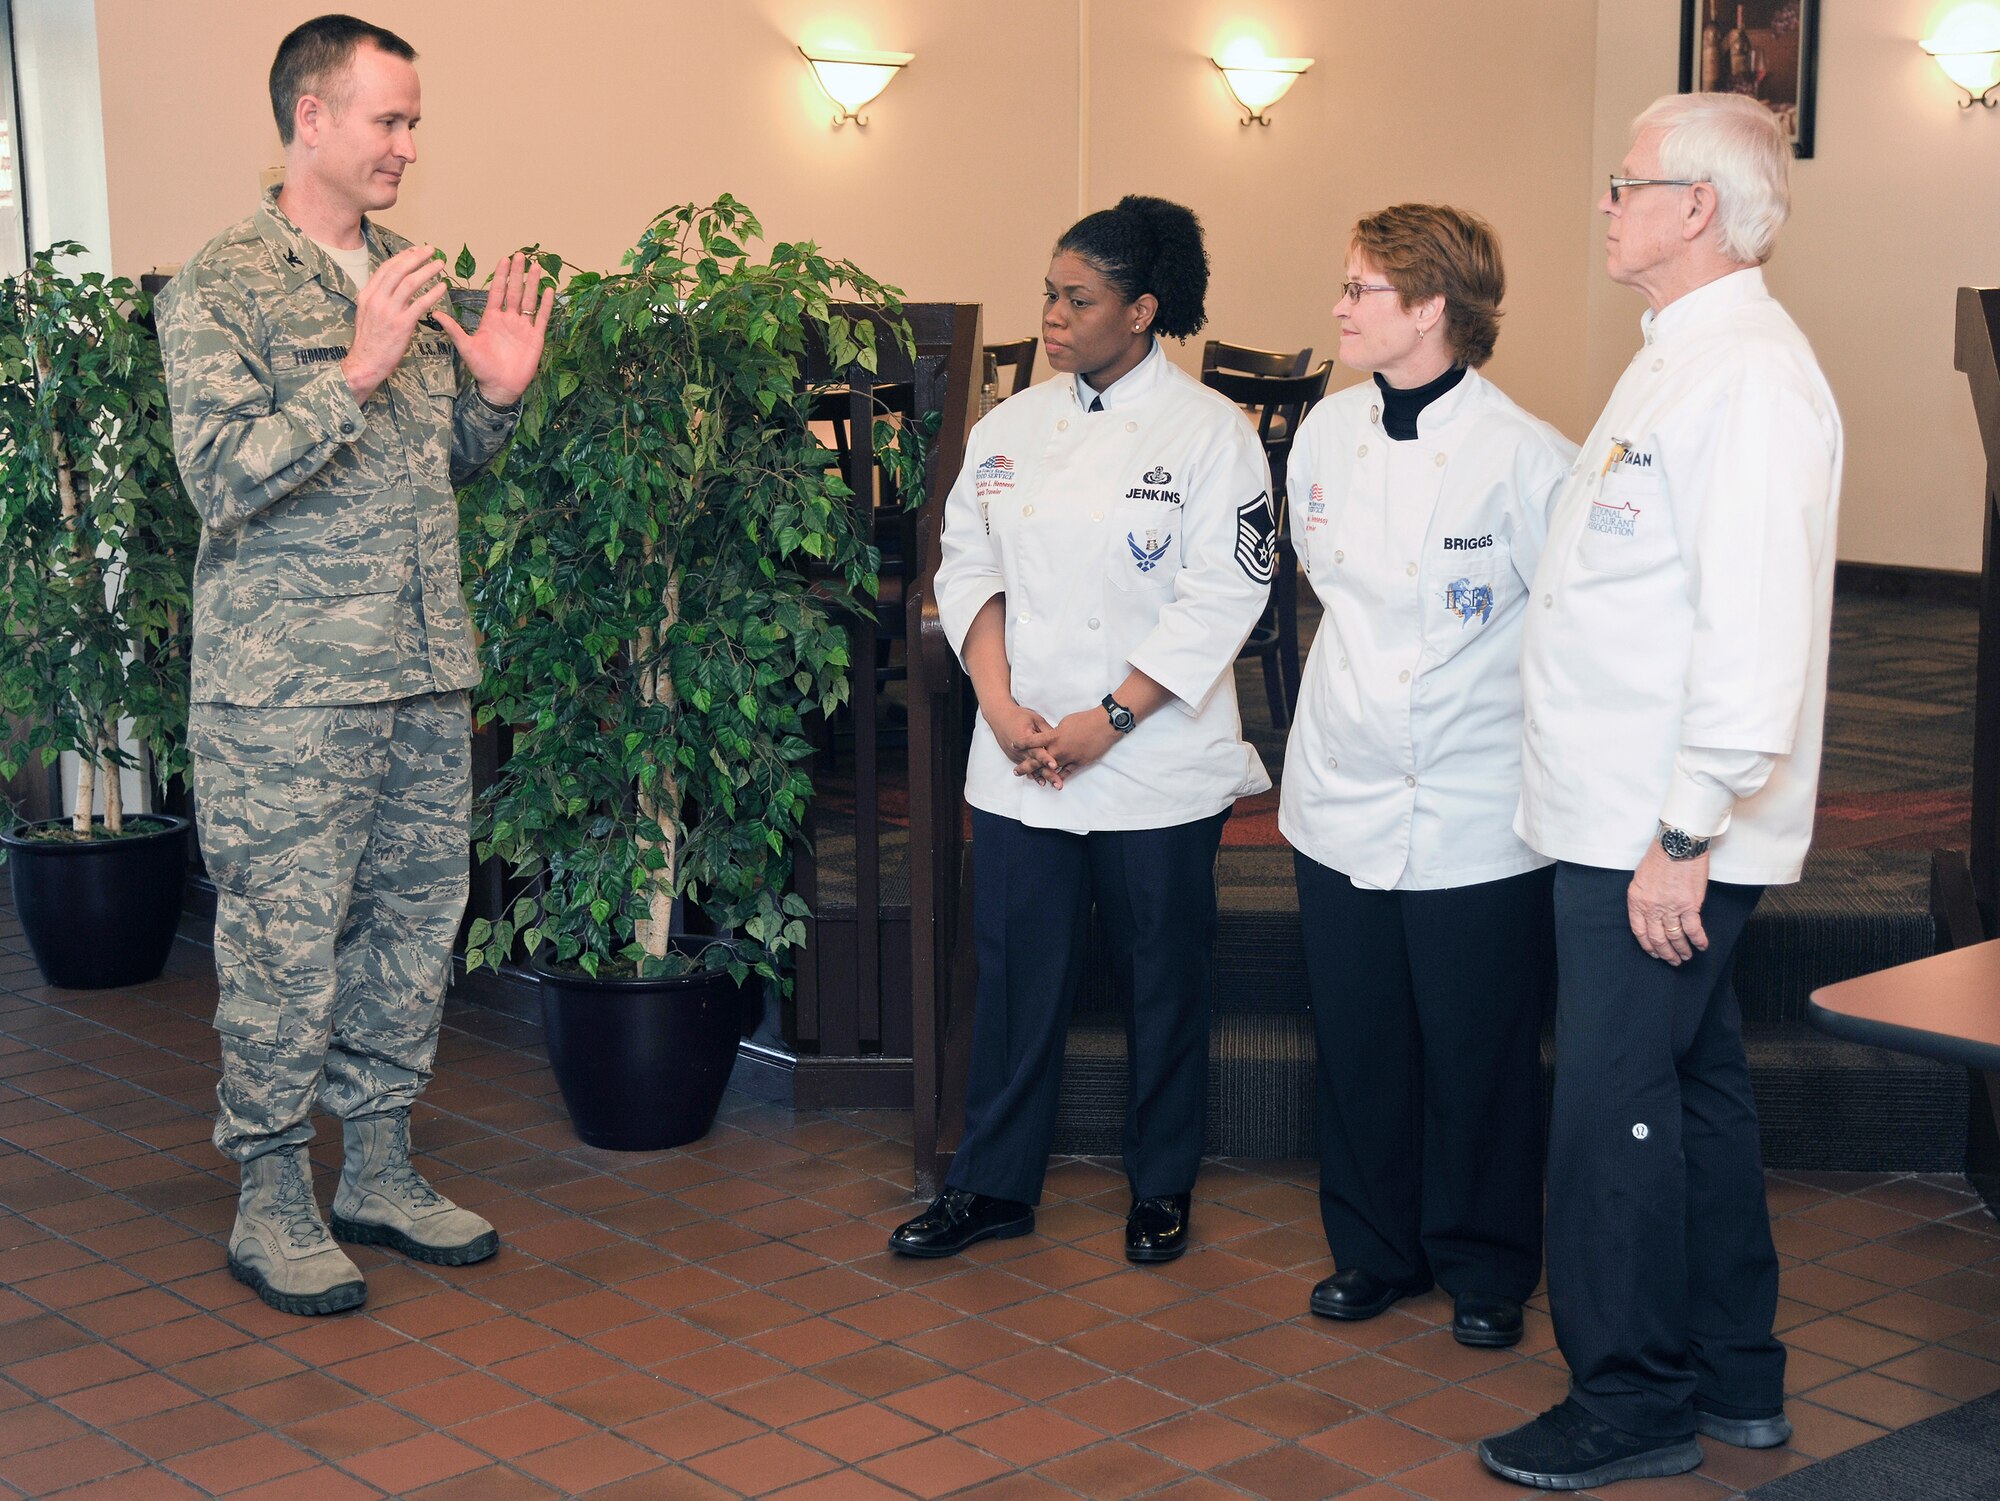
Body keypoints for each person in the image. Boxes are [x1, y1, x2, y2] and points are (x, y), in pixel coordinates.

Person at [157, 14, 551, 1317]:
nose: (406, 146)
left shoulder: (411, 274)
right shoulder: (222, 282)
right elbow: (218, 480)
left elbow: (441, 466)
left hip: (422, 667)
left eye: (415, 122)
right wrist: (359, 369)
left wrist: (495, 391)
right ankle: (270, 1193)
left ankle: (377, 1168)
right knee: (282, 943)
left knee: (409, 928)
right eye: (387, 119)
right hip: (284, 691)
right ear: (309, 120)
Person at [1479, 93, 1841, 1490]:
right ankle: (1735, 1374)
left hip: (1662, 825)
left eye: (1626, 183)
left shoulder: (1747, 375)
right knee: (1691, 1093)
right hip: (1623, 814)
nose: (1607, 203)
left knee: (1613, 1108)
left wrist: (1687, 831)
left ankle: (1630, 1398)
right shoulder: (1680, 358)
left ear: (1697, 207)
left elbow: (1756, 636)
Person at [891, 196, 1273, 1263]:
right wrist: (1002, 704)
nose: (1052, 316)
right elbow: (966, 567)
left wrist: (1108, 719)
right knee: (1014, 979)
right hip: (1019, 757)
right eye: (1048, 294)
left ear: (1142, 309)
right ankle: (991, 1185)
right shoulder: (1009, 427)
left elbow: (1221, 597)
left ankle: (1160, 1186)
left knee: (1162, 976)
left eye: (1078, 298)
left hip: (1152, 758)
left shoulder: (1212, 435)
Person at [1281, 205, 1574, 1349]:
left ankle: (1487, 1261)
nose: (1340, 306)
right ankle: (1372, 1248)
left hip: (1471, 802)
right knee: (1356, 1041)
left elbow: (1565, 630)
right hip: (1339, 784)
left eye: (1360, 289)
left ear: (1431, 308)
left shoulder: (1523, 456)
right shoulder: (1321, 432)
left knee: (1476, 1048)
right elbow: (1324, 586)